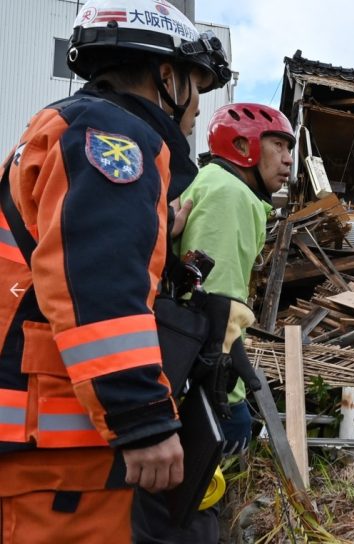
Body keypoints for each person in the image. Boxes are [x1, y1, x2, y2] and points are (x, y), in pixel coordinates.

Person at [0, 1, 230, 541]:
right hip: (63, 451)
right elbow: (96, 284)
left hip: (46, 438)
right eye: (197, 83)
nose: (197, 106)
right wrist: (142, 417)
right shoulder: (115, 137)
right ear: (167, 76)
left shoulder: (64, 128)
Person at [131, 104, 294, 542]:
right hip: (199, 383)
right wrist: (227, 397)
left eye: (290, 149)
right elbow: (212, 304)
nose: (288, 158)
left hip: (173, 369)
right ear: (242, 146)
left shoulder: (215, 184)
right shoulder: (230, 194)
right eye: (278, 145)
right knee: (190, 516)